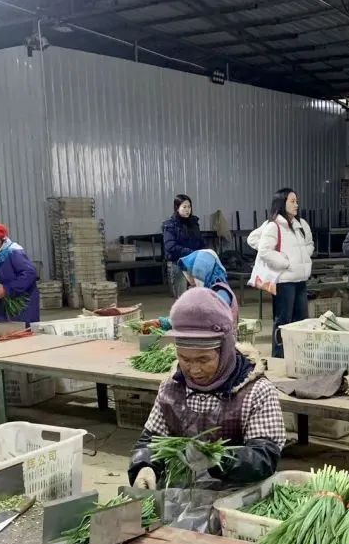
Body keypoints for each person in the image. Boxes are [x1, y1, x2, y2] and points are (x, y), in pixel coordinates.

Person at [129, 287, 286, 489]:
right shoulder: (172, 388)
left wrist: (217, 458)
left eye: (204, 360)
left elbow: (263, 458)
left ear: (225, 349)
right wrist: (144, 466)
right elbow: (150, 440)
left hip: (237, 495)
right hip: (183, 495)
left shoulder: (256, 391)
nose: (194, 370)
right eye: (185, 359)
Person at [247, 188, 313, 358]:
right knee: (283, 320)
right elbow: (264, 251)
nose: (296, 204)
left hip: (300, 279)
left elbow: (309, 244)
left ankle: (297, 356)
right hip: (284, 281)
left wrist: (304, 256)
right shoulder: (273, 225)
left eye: (296, 201)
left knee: (301, 320)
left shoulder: (300, 224)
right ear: (282, 203)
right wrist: (285, 262)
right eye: (292, 201)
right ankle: (279, 356)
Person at [143, 249, 237, 331]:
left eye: (195, 274)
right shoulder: (202, 292)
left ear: (205, 271)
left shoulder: (221, 292)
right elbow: (188, 314)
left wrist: (170, 322)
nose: (191, 278)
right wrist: (161, 323)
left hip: (219, 340)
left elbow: (204, 317)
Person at [0, 221, 40, 324]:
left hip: (21, 310)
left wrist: (7, 289)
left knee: (20, 332)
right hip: (0, 309)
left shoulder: (13, 252)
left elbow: (29, 274)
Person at [163, 194, 207, 297]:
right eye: (184, 207)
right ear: (177, 208)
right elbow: (170, 246)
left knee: (198, 297)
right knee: (182, 298)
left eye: (189, 207)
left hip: (194, 263)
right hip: (178, 264)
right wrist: (191, 252)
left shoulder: (194, 223)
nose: (187, 210)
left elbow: (200, 242)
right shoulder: (170, 225)